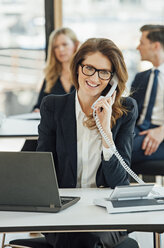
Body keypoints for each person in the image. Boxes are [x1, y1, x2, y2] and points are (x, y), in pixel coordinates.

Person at [37, 38, 138, 248]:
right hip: (64, 211)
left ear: (113, 78)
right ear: (77, 67)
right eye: (89, 68)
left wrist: (106, 133)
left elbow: (120, 182)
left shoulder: (125, 110)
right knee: (76, 238)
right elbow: (42, 172)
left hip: (107, 214)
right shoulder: (53, 107)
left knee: (88, 239)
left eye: (104, 72)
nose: (94, 77)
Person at [131, 24, 164, 164]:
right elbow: (129, 112)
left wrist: (162, 130)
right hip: (138, 131)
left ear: (155, 46)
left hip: (162, 135)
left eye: (142, 43)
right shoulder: (141, 78)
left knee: (119, 152)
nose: (138, 47)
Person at [33, 27, 79, 112]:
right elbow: (39, 106)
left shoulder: (84, 75)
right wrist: (36, 110)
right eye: (56, 47)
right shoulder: (51, 76)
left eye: (64, 44)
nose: (60, 49)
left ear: (75, 45)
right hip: (53, 125)